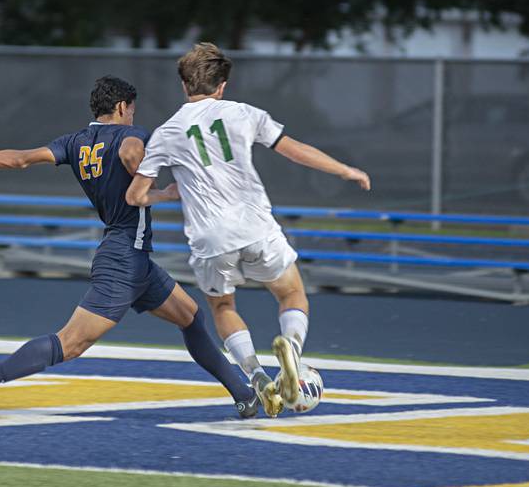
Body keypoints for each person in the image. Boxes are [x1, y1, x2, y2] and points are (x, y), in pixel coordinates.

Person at [0, 75, 259, 421]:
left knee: (190, 317)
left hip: (133, 259)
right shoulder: (131, 135)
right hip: (124, 260)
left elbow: (20, 159)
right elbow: (131, 152)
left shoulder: (76, 142)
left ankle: (243, 395)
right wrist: (161, 187)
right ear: (122, 107)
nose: (133, 116)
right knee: (70, 343)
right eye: (131, 110)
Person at [126, 43, 371, 416]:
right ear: (222, 85)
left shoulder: (167, 131)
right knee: (291, 294)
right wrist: (344, 170)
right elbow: (294, 150)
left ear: (183, 85)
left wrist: (167, 193)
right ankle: (292, 348)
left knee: (223, 306)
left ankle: (256, 375)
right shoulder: (244, 113)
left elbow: (135, 196)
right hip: (256, 225)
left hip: (210, 237)